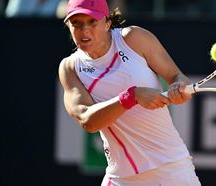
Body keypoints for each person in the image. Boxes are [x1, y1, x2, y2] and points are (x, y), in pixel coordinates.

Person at [58, 0, 201, 185]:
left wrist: (178, 87)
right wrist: (131, 96)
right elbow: (88, 121)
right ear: (68, 25)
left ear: (107, 23)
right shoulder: (70, 68)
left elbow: (176, 76)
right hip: (121, 178)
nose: (84, 31)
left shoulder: (133, 38)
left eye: (92, 22)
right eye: (76, 23)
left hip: (172, 168)